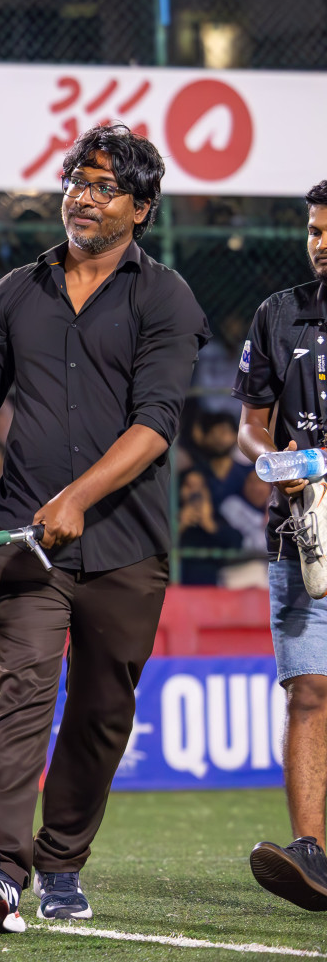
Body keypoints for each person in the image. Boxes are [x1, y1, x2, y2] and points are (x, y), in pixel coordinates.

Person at [0, 124, 208, 932]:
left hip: (126, 540)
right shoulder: (13, 294)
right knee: (22, 688)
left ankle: (63, 861)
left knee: (103, 709)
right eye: (77, 178)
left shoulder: (164, 296)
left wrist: (77, 496)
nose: (83, 195)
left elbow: (156, 425)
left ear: (140, 208)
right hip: (23, 535)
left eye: (104, 186)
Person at [237, 180, 327, 911]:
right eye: (312, 230)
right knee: (308, 691)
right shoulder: (279, 313)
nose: (319, 242)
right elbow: (250, 425)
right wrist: (273, 460)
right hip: (301, 534)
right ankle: (310, 854)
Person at [177, 469, 241, 586]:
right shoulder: (171, 515)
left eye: (200, 487)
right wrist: (179, 526)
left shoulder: (217, 516)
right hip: (179, 584)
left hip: (214, 587)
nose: (195, 492)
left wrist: (210, 525)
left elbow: (237, 544)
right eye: (189, 486)